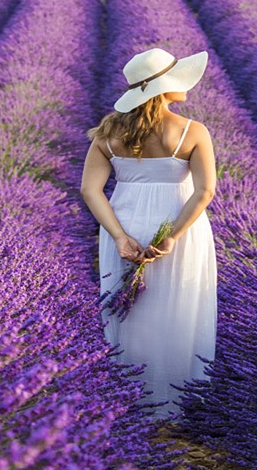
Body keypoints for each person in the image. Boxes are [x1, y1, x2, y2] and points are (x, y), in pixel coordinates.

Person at [80, 47, 218, 421]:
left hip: (123, 225)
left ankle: (129, 402)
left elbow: (90, 190)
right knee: (180, 309)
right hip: (179, 225)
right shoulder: (192, 131)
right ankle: (176, 405)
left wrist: (119, 236)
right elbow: (205, 192)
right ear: (163, 88)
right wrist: (172, 235)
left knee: (128, 313)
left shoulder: (108, 133)